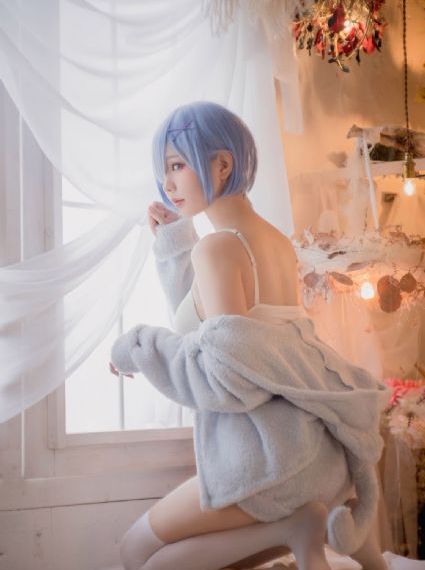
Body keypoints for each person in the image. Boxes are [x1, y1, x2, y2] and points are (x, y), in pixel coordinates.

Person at [110, 101, 389, 570]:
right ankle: (294, 529)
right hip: (318, 456)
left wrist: (138, 347)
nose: (168, 184)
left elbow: (226, 375)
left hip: (269, 461)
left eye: (177, 165)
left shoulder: (217, 249)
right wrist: (176, 241)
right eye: (164, 170)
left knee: (135, 551)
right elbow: (219, 334)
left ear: (222, 164)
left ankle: (288, 528)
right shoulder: (275, 243)